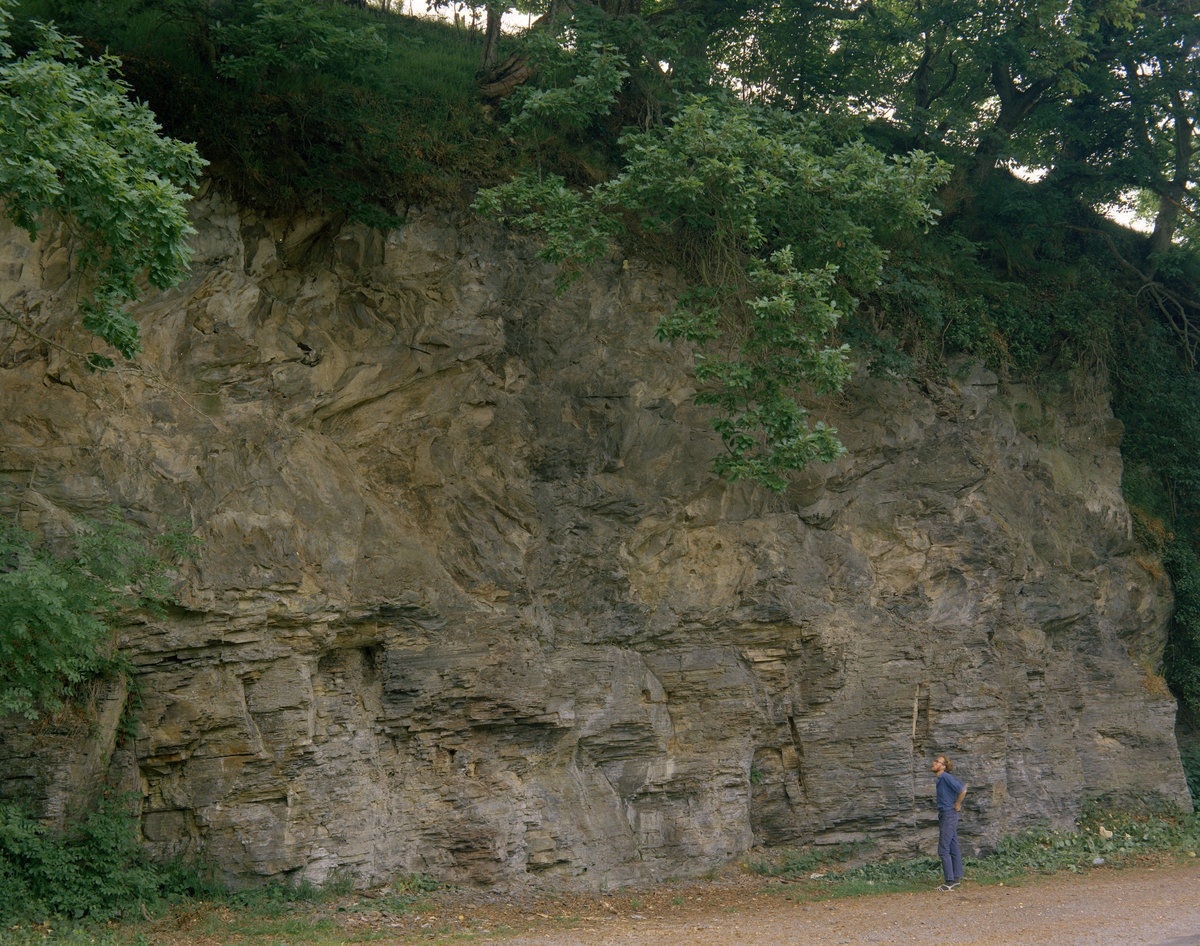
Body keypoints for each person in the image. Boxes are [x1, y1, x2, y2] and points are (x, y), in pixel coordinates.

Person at [931, 754, 967, 891]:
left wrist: (957, 804)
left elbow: (962, 790)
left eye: (937, 761)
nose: (933, 763)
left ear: (943, 766)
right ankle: (957, 878)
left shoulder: (945, 777)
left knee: (943, 849)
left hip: (948, 815)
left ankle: (949, 882)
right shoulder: (941, 779)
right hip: (946, 815)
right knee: (953, 846)